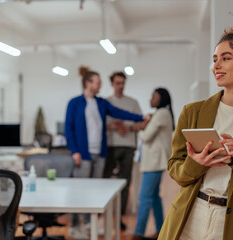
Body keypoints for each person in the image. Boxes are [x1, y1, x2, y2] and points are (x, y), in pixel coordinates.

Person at [158, 22, 233, 240]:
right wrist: (196, 162)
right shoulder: (192, 112)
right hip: (190, 215)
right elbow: (174, 168)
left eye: (226, 58)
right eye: (215, 59)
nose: (216, 65)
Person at [65, 66, 147, 239]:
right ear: (88, 83)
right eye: (97, 82)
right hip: (83, 154)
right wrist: (74, 151)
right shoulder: (75, 103)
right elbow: (69, 129)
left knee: (92, 191)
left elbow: (119, 113)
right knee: (79, 191)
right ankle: (74, 226)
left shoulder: (101, 103)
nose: (100, 85)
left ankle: (88, 225)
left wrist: (140, 117)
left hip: (100, 153)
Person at [133, 88, 175, 240]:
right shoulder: (161, 113)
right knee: (154, 197)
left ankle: (138, 233)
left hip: (154, 162)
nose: (150, 99)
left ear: (161, 98)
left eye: (153, 96)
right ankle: (160, 230)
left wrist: (139, 128)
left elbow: (147, 136)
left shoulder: (162, 113)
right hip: (155, 162)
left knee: (144, 197)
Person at [104, 71, 143, 230]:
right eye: (118, 83)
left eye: (123, 83)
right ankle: (104, 216)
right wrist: (114, 126)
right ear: (112, 84)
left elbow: (142, 123)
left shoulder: (132, 102)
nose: (120, 86)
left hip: (128, 146)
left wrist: (128, 127)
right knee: (105, 182)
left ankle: (119, 217)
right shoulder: (106, 102)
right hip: (110, 146)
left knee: (125, 183)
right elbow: (99, 126)